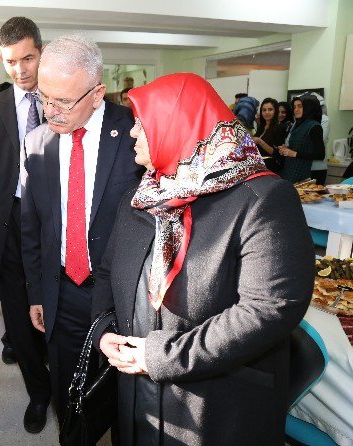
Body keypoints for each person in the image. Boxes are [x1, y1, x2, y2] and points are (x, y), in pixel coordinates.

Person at [92, 73, 314, 445]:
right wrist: (103, 332)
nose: (132, 133)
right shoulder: (142, 195)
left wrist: (163, 357)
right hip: (136, 393)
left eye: (140, 123)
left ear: (177, 123)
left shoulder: (264, 198)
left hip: (216, 403)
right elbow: (107, 273)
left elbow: (269, 308)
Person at [21, 33, 143, 423]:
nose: (51, 111)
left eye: (64, 101)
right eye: (44, 97)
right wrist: (36, 291)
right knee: (69, 396)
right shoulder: (36, 142)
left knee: (125, 399)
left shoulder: (136, 136)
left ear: (97, 92)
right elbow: (32, 227)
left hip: (123, 296)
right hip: (62, 291)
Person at [0, 16, 51, 434]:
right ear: (1, 60)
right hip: (7, 229)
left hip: (57, 229)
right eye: (11, 62)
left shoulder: (64, 98)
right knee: (17, 321)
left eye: (28, 58)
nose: (21, 70)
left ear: (42, 52)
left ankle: (65, 386)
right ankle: (38, 392)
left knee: (56, 314)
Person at [279, 94, 325, 183]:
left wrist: (294, 153)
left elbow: (320, 154)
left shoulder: (314, 126)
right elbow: (300, 147)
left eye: (300, 106)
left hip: (303, 174)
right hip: (290, 171)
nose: (296, 110)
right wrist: (286, 149)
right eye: (294, 107)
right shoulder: (297, 124)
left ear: (309, 107)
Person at [252, 97, 284, 174]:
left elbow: (276, 152)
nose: (266, 112)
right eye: (264, 110)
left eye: (270, 109)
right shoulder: (261, 126)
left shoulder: (279, 128)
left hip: (271, 167)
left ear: (275, 111)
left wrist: (260, 141)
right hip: (259, 165)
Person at [309, 92, 330, 185]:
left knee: (316, 197)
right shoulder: (302, 121)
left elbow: (321, 141)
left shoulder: (324, 119)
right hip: (304, 167)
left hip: (317, 167)